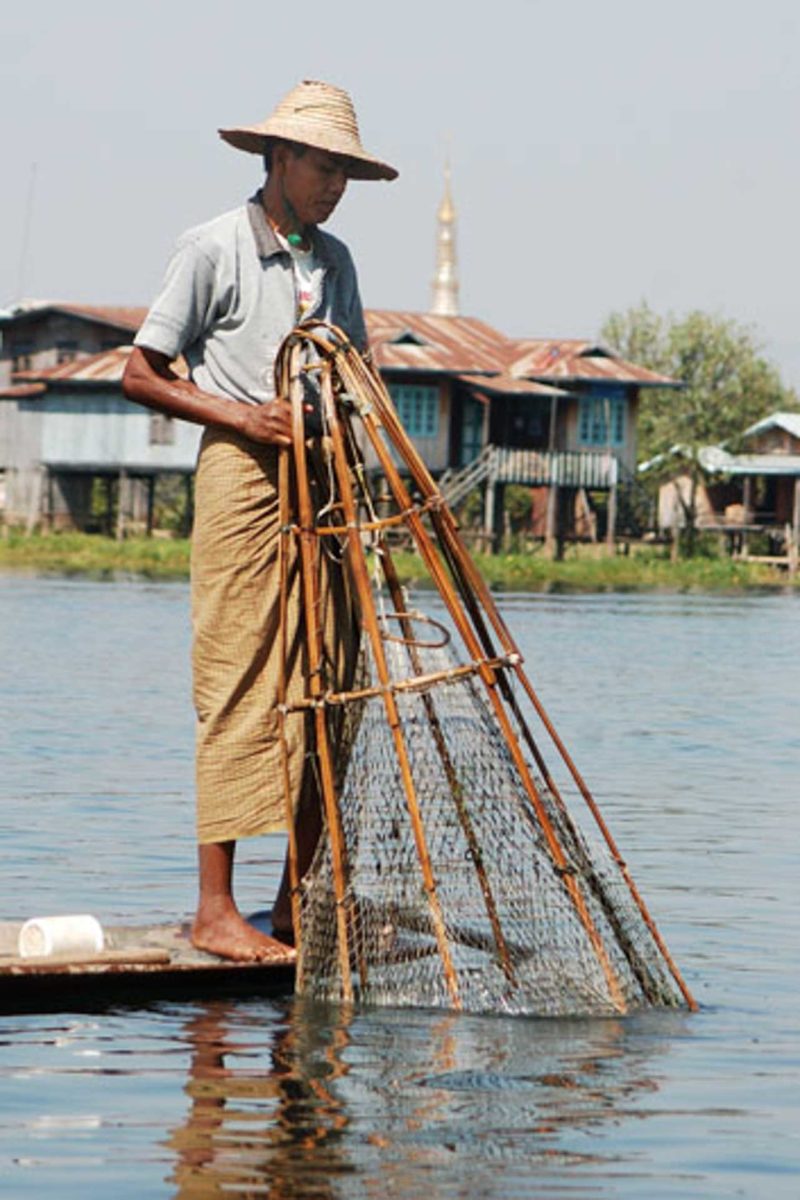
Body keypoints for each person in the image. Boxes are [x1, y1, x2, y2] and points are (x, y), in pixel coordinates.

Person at [123, 80, 397, 963]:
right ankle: (216, 911)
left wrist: (366, 471)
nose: (333, 184)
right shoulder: (212, 248)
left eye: (344, 171)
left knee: (326, 683)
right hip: (243, 477)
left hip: (324, 483)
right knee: (237, 677)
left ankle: (297, 906)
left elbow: (351, 371)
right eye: (322, 165)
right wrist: (243, 417)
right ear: (276, 159)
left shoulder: (336, 261)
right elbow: (141, 373)